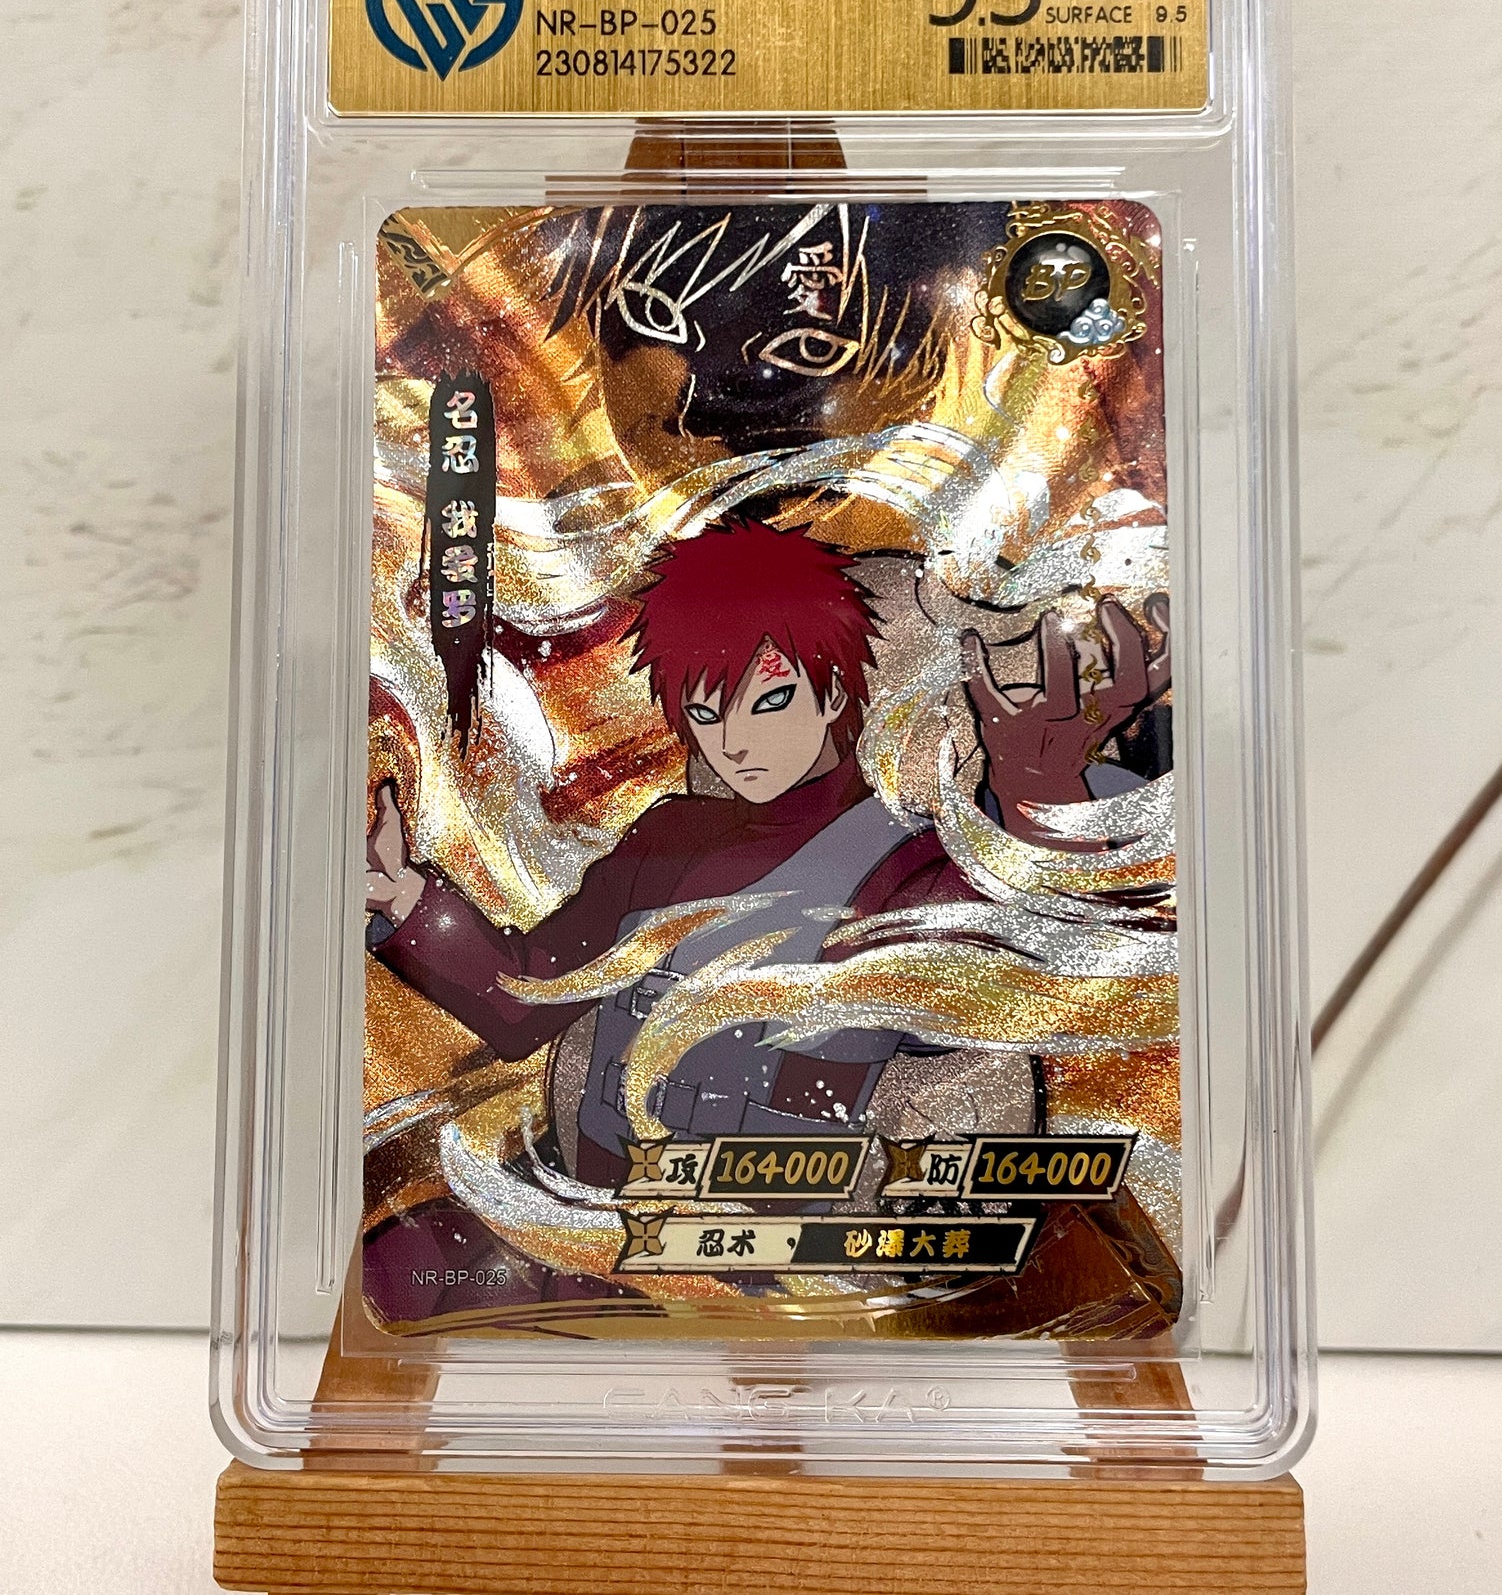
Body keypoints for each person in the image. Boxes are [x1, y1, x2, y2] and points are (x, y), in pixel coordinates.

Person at [362, 515, 1168, 1321]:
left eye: (772, 700)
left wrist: (1041, 800)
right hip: (602, 1239)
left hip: (778, 1282)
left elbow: (1011, 976)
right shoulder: (667, 840)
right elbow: (527, 998)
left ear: (836, 692)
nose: (738, 743)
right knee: (389, 1273)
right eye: (709, 713)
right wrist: (404, 898)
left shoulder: (903, 867)